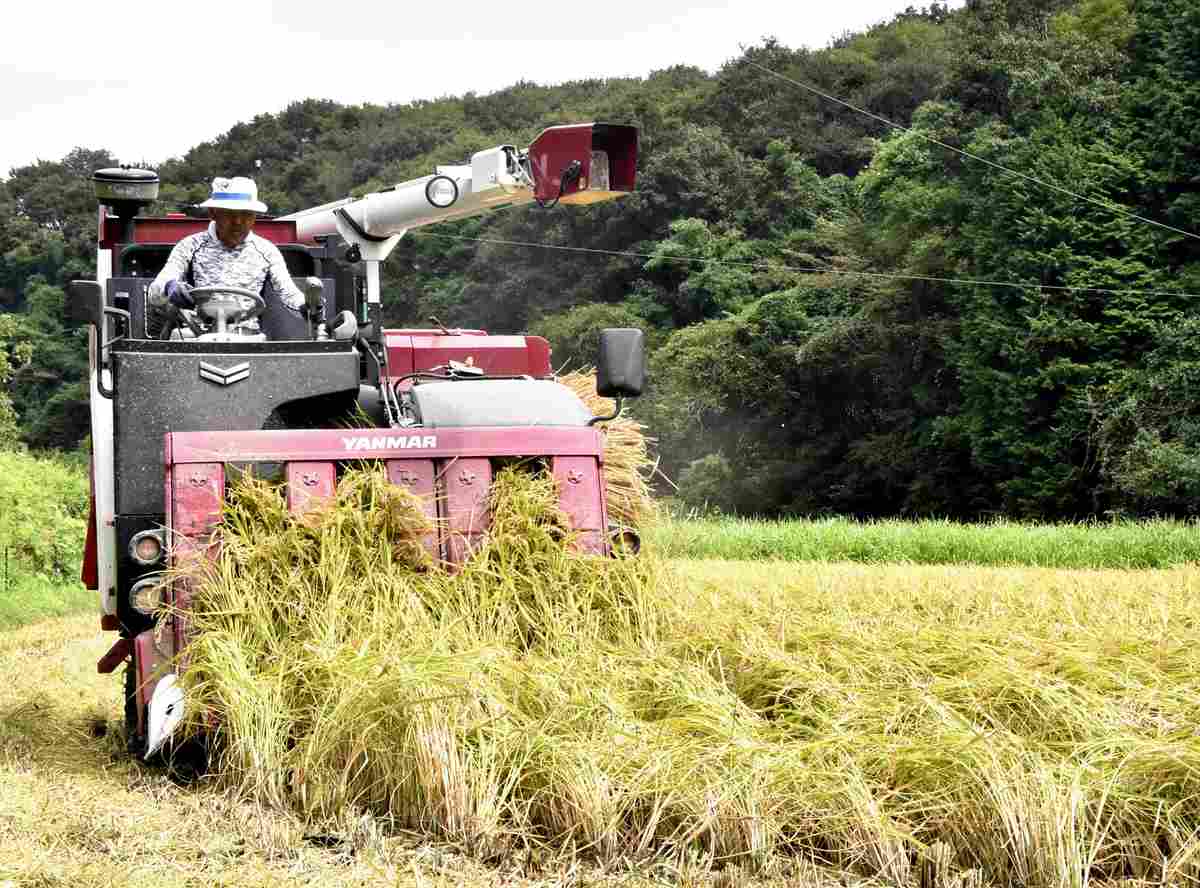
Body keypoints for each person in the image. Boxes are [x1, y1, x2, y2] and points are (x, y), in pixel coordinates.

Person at [149, 176, 322, 336]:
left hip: (248, 339)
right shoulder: (189, 246)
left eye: (246, 214)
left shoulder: (267, 250)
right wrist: (169, 287)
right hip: (197, 336)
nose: (238, 222)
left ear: (255, 217)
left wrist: (306, 306)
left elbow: (288, 293)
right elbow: (155, 291)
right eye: (230, 214)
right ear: (213, 213)